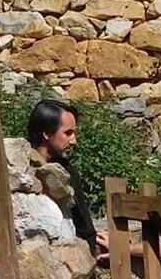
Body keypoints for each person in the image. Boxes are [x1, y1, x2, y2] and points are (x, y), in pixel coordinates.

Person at [28, 97, 108, 255]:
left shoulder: (67, 171)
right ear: (46, 133)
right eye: (68, 133)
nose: (74, 141)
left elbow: (83, 223)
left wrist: (96, 243)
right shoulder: (21, 169)